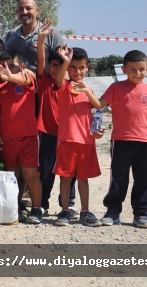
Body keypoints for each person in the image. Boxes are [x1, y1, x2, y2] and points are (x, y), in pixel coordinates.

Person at [83, 50, 147, 228]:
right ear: (124, 69)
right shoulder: (116, 88)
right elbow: (98, 104)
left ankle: (141, 214)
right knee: (119, 178)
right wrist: (87, 91)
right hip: (120, 140)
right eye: (132, 69)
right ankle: (112, 212)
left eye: (141, 69)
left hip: (144, 141)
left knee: (142, 178)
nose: (137, 73)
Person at [52, 46, 103, 227]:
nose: (77, 71)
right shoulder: (64, 86)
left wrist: (97, 131)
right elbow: (59, 78)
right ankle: (65, 211)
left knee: (83, 178)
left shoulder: (88, 89)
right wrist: (65, 60)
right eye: (72, 67)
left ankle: (85, 211)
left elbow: (97, 109)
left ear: (87, 67)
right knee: (65, 178)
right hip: (67, 140)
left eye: (81, 67)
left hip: (86, 141)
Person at [0, 50, 43, 224]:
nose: (8, 69)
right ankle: (16, 207)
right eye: (4, 65)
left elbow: (23, 79)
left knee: (30, 175)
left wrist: (9, 75)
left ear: (21, 66)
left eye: (12, 65)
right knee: (12, 176)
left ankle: (37, 209)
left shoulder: (27, 77)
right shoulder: (0, 86)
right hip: (7, 138)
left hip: (28, 137)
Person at [35, 20, 77, 217]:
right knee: (46, 170)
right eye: (53, 65)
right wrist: (42, 38)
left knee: (69, 171)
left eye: (61, 65)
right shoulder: (44, 81)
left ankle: (67, 204)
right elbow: (41, 60)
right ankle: (43, 203)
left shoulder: (69, 85)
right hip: (48, 133)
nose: (56, 69)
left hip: (68, 135)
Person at [4, 0, 62, 74]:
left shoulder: (51, 34)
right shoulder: (10, 35)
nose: (24, 12)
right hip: (15, 84)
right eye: (20, 9)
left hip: (43, 85)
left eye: (28, 8)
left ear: (37, 11)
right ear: (16, 12)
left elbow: (62, 65)